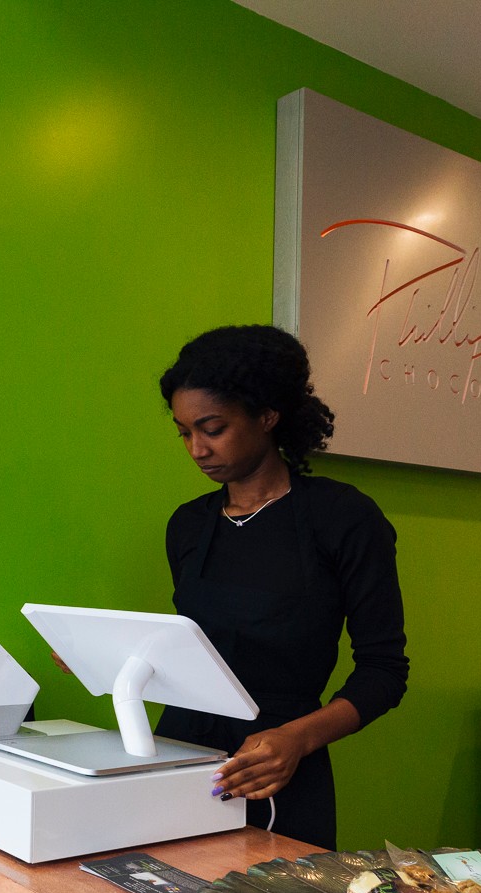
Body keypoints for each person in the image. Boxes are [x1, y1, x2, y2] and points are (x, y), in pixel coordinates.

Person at [155, 324, 409, 850]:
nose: (197, 449)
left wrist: (297, 739)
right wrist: (111, 658)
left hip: (277, 770)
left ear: (267, 416)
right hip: (175, 757)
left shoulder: (343, 518)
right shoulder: (188, 526)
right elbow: (199, 652)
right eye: (184, 432)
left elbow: (384, 671)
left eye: (212, 428)